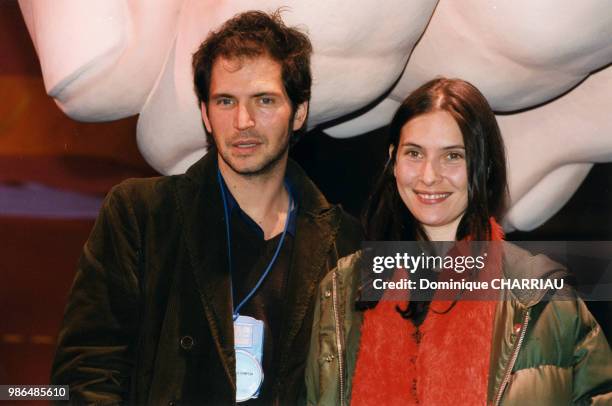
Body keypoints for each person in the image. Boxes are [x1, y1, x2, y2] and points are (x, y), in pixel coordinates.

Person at [50, 11, 361, 405]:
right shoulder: (141, 215)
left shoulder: (343, 241)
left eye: (264, 100)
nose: (243, 121)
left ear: (298, 112)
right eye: (225, 101)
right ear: (205, 114)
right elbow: (87, 374)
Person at [305, 78, 612, 405]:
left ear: (484, 165)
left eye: (452, 156)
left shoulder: (541, 299)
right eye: (414, 153)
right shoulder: (341, 291)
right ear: (393, 160)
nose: (428, 175)